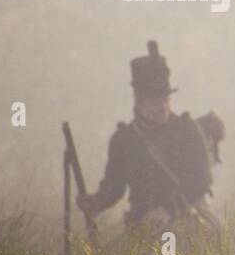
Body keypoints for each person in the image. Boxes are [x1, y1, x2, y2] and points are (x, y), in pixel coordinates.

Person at [77, 41, 223, 236]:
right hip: (143, 226)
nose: (162, 107)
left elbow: (201, 181)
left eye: (165, 100)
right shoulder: (124, 139)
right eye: (155, 101)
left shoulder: (188, 130)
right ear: (139, 102)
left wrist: (168, 210)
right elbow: (114, 186)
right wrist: (96, 202)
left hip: (188, 221)